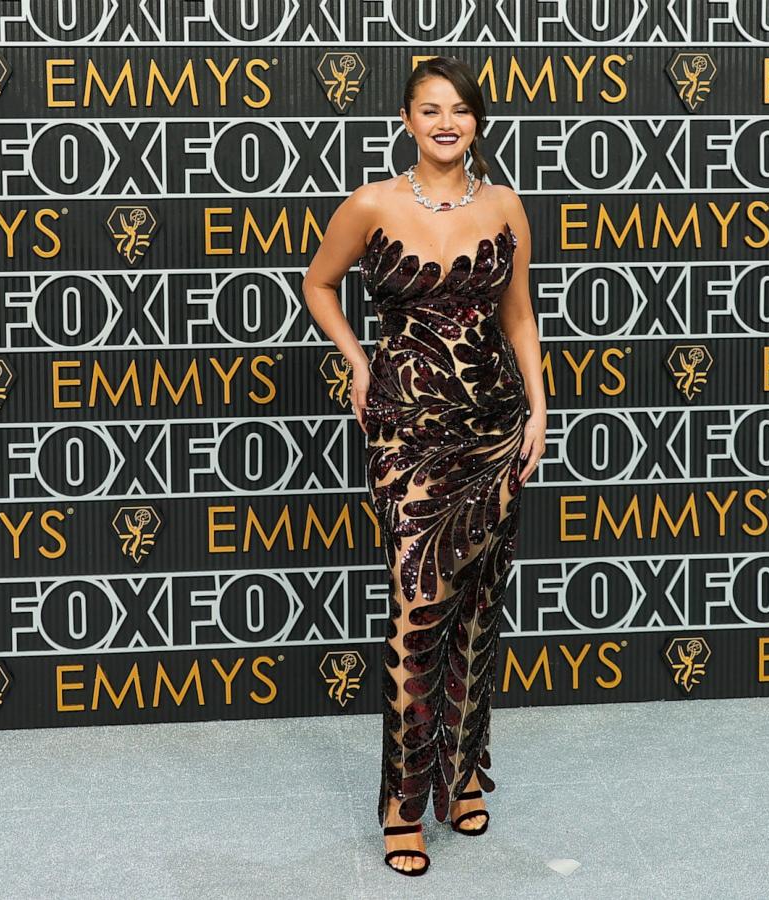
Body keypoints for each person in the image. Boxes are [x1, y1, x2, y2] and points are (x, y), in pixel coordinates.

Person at [302, 56, 548, 877]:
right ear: (408, 121)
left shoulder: (506, 206)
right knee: (418, 609)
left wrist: (540, 410)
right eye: (430, 109)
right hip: (406, 430)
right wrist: (357, 362)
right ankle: (403, 807)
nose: (447, 121)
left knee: (478, 610)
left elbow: (518, 315)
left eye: (461, 110)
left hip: (493, 428)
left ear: (477, 123)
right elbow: (319, 284)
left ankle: (463, 775)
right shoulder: (371, 204)